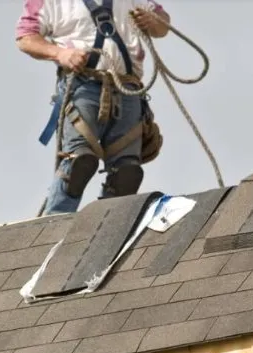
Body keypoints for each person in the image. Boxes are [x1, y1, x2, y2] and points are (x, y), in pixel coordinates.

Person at [16, 0, 171, 214]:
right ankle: (54, 226)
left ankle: (106, 230)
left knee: (127, 173)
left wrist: (154, 22)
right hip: (83, 84)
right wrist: (60, 54)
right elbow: (26, 38)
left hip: (127, 88)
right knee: (79, 162)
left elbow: (163, 25)